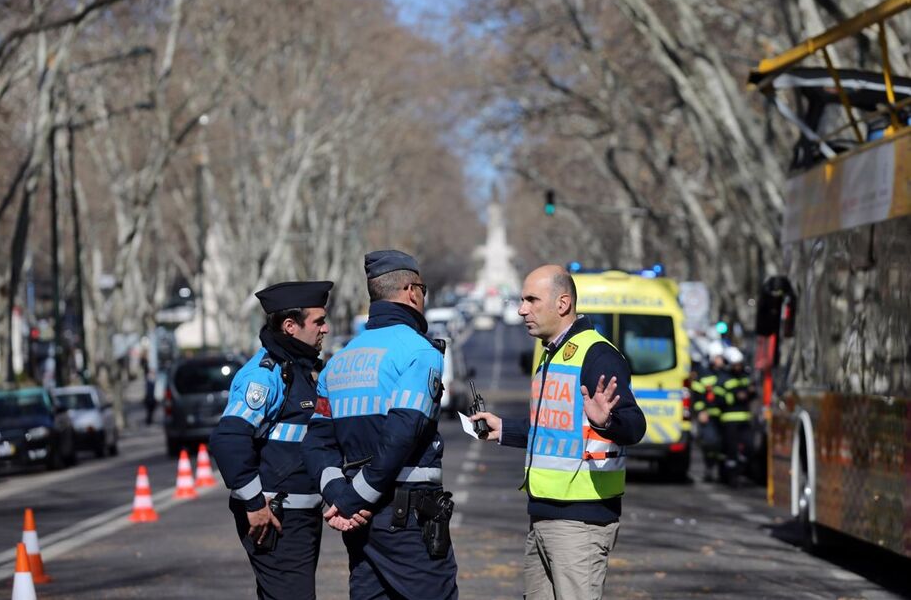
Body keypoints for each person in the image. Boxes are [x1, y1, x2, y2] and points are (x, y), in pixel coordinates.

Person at [471, 264, 646, 600]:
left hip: (580, 522)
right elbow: (553, 428)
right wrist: (505, 429)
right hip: (544, 517)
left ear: (563, 304)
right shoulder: (549, 355)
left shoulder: (597, 355)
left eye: (531, 300)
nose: (522, 309)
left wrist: (606, 422)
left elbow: (634, 425)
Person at [302, 250, 459, 600]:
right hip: (407, 518)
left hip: (360, 524)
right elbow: (403, 433)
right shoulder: (419, 353)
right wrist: (358, 497)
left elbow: (316, 443)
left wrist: (339, 495)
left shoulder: (339, 361)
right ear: (411, 291)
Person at [209, 281, 333, 600]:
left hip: (297, 517)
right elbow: (228, 439)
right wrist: (254, 503)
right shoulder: (265, 376)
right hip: (276, 518)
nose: (326, 328)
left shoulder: (298, 370)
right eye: (318, 321)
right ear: (291, 327)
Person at [691, 340, 728, 482]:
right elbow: (698, 395)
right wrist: (701, 411)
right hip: (708, 416)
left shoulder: (725, 373)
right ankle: (709, 467)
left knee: (722, 445)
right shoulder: (704, 375)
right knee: (710, 442)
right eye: (718, 357)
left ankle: (719, 471)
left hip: (723, 416)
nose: (721, 360)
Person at [718, 346, 753, 488]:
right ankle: (731, 478)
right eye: (735, 365)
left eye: (739, 365)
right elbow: (720, 399)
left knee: (749, 448)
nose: (738, 368)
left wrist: (749, 393)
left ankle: (740, 472)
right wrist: (735, 397)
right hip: (729, 421)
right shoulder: (723, 378)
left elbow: (751, 392)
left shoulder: (744, 377)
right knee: (731, 451)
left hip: (744, 420)